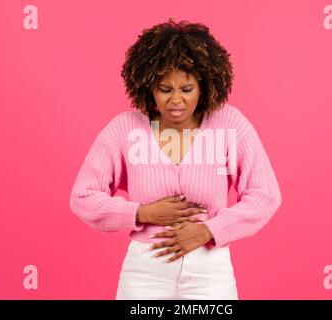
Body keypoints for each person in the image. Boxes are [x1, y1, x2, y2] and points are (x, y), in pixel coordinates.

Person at [69, 18, 282, 300]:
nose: (176, 101)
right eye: (165, 90)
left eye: (186, 89)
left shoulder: (229, 124)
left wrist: (208, 230)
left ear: (204, 86)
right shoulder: (125, 128)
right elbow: (82, 197)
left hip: (210, 270)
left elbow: (266, 195)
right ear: (148, 87)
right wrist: (141, 213)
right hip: (145, 271)